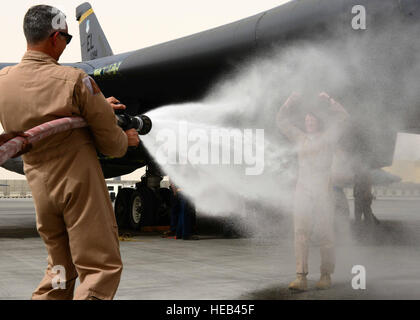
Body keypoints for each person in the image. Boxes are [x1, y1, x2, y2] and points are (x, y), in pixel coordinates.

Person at [0, 5, 140, 299]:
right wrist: (125, 138)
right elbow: (110, 145)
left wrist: (98, 107)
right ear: (54, 37)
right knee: (100, 268)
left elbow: (42, 116)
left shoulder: (4, 83)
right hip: (76, 185)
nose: (66, 45)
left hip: (40, 184)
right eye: (66, 38)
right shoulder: (76, 80)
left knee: (60, 267)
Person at [276, 91, 349, 291]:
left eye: (312, 118)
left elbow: (343, 119)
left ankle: (326, 275)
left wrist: (331, 101)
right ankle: (301, 276)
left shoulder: (328, 138)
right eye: (306, 118)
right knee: (300, 233)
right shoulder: (299, 137)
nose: (309, 121)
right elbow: (281, 121)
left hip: (323, 189)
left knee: (326, 234)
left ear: (318, 121)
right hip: (303, 189)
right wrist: (288, 102)